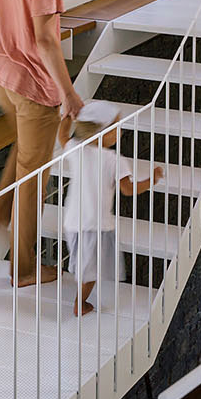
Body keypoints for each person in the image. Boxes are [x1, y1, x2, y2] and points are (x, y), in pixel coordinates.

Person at [0, 0, 88, 286]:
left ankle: (0, 213)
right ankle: (23, 269)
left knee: (23, 153)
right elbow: (46, 39)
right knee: (34, 175)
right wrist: (68, 93)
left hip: (0, 74)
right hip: (31, 84)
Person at [61, 114, 164, 316]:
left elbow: (62, 136)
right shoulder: (114, 160)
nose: (120, 132)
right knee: (92, 269)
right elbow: (127, 189)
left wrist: (67, 115)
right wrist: (153, 179)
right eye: (115, 128)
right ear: (101, 133)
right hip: (95, 223)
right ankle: (79, 303)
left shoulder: (76, 149)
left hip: (73, 220)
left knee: (83, 260)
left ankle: (80, 291)